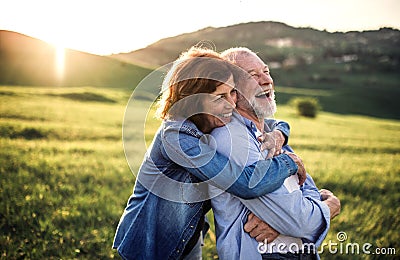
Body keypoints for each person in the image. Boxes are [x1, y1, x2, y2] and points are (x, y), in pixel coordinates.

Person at [112, 47, 308, 260]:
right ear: (194, 100)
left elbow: (269, 122)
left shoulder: (211, 118)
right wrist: (289, 162)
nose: (231, 103)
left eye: (232, 92)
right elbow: (245, 183)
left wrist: (280, 134)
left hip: (189, 237)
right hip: (149, 244)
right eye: (219, 97)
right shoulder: (177, 137)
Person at [209, 47, 341, 259]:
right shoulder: (230, 138)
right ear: (231, 92)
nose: (266, 80)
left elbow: (305, 189)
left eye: (266, 72)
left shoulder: (272, 134)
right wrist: (330, 206)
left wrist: (285, 222)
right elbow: (300, 222)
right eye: (252, 75)